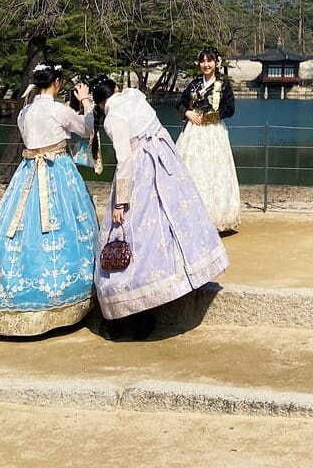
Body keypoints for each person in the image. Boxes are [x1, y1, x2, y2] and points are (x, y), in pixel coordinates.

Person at [90, 75, 228, 336]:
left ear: (99, 102)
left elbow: (125, 161)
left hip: (140, 172)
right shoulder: (134, 95)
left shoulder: (113, 118)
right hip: (165, 165)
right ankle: (167, 292)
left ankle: (127, 312)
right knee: (168, 225)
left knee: (128, 234)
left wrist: (121, 201)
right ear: (117, 88)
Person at [0, 63, 98, 336]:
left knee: (16, 229)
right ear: (57, 83)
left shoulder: (26, 111)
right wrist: (86, 101)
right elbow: (87, 130)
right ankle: (63, 302)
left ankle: (12, 301)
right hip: (57, 172)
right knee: (66, 229)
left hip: (27, 172)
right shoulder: (57, 110)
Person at [176, 47, 241, 232]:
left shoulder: (223, 85)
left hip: (213, 133)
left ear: (216, 63)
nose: (206, 65)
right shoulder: (194, 84)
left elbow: (230, 109)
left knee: (214, 172)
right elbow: (179, 103)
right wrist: (188, 113)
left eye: (209, 61)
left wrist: (210, 117)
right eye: (203, 61)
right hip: (193, 133)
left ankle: (216, 218)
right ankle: (190, 218)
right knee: (192, 171)